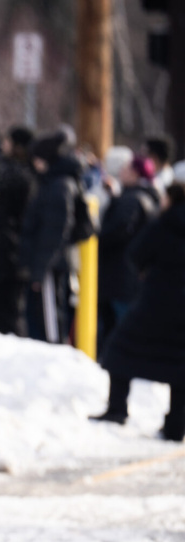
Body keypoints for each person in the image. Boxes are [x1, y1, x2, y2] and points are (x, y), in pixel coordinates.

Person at [90, 163, 185, 442]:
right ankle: (176, 425)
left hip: (156, 300)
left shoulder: (164, 223)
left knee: (121, 350)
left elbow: (135, 253)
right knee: (180, 365)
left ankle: (117, 408)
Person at [21, 130, 79, 343]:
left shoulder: (58, 187)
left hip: (49, 266)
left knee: (50, 325)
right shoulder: (53, 183)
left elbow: (54, 233)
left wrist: (39, 271)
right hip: (48, 263)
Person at [97, 155, 159, 348]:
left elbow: (118, 230)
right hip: (128, 275)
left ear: (135, 173)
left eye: (125, 168)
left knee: (117, 328)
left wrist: (95, 238)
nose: (121, 172)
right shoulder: (146, 197)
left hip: (119, 275)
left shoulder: (132, 200)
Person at [0, 126, 36, 336]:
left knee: (7, 312)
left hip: (9, 252)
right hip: (15, 251)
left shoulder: (16, 176)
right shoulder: (31, 174)